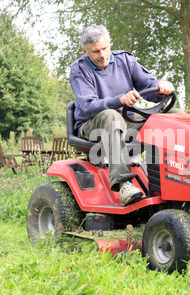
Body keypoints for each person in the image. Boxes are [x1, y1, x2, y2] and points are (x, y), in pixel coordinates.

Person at [70, 25, 174, 206]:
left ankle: (174, 178)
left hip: (126, 121)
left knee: (173, 117)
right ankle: (124, 183)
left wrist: (161, 88)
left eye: (105, 48)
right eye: (96, 51)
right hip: (93, 124)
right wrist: (120, 100)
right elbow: (88, 106)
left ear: (109, 45)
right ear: (85, 52)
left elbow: (148, 87)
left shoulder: (125, 60)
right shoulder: (79, 70)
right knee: (111, 115)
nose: (102, 55)